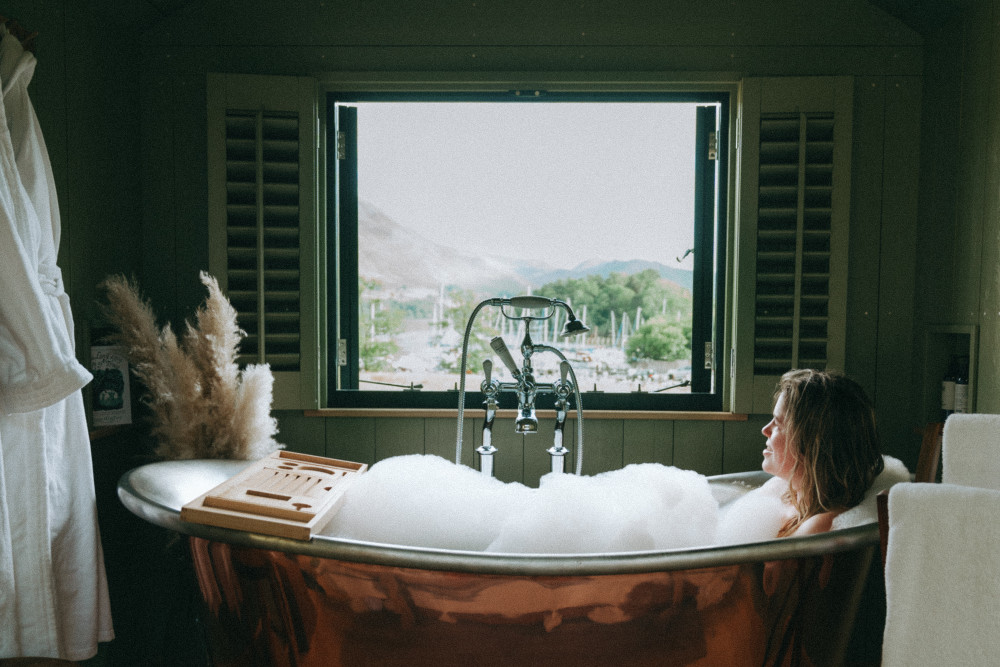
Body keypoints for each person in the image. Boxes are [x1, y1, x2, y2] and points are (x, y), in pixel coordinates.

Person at [759, 369, 884, 537]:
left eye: (779, 424)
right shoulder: (783, 494)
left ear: (813, 445)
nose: (765, 430)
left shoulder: (820, 526)